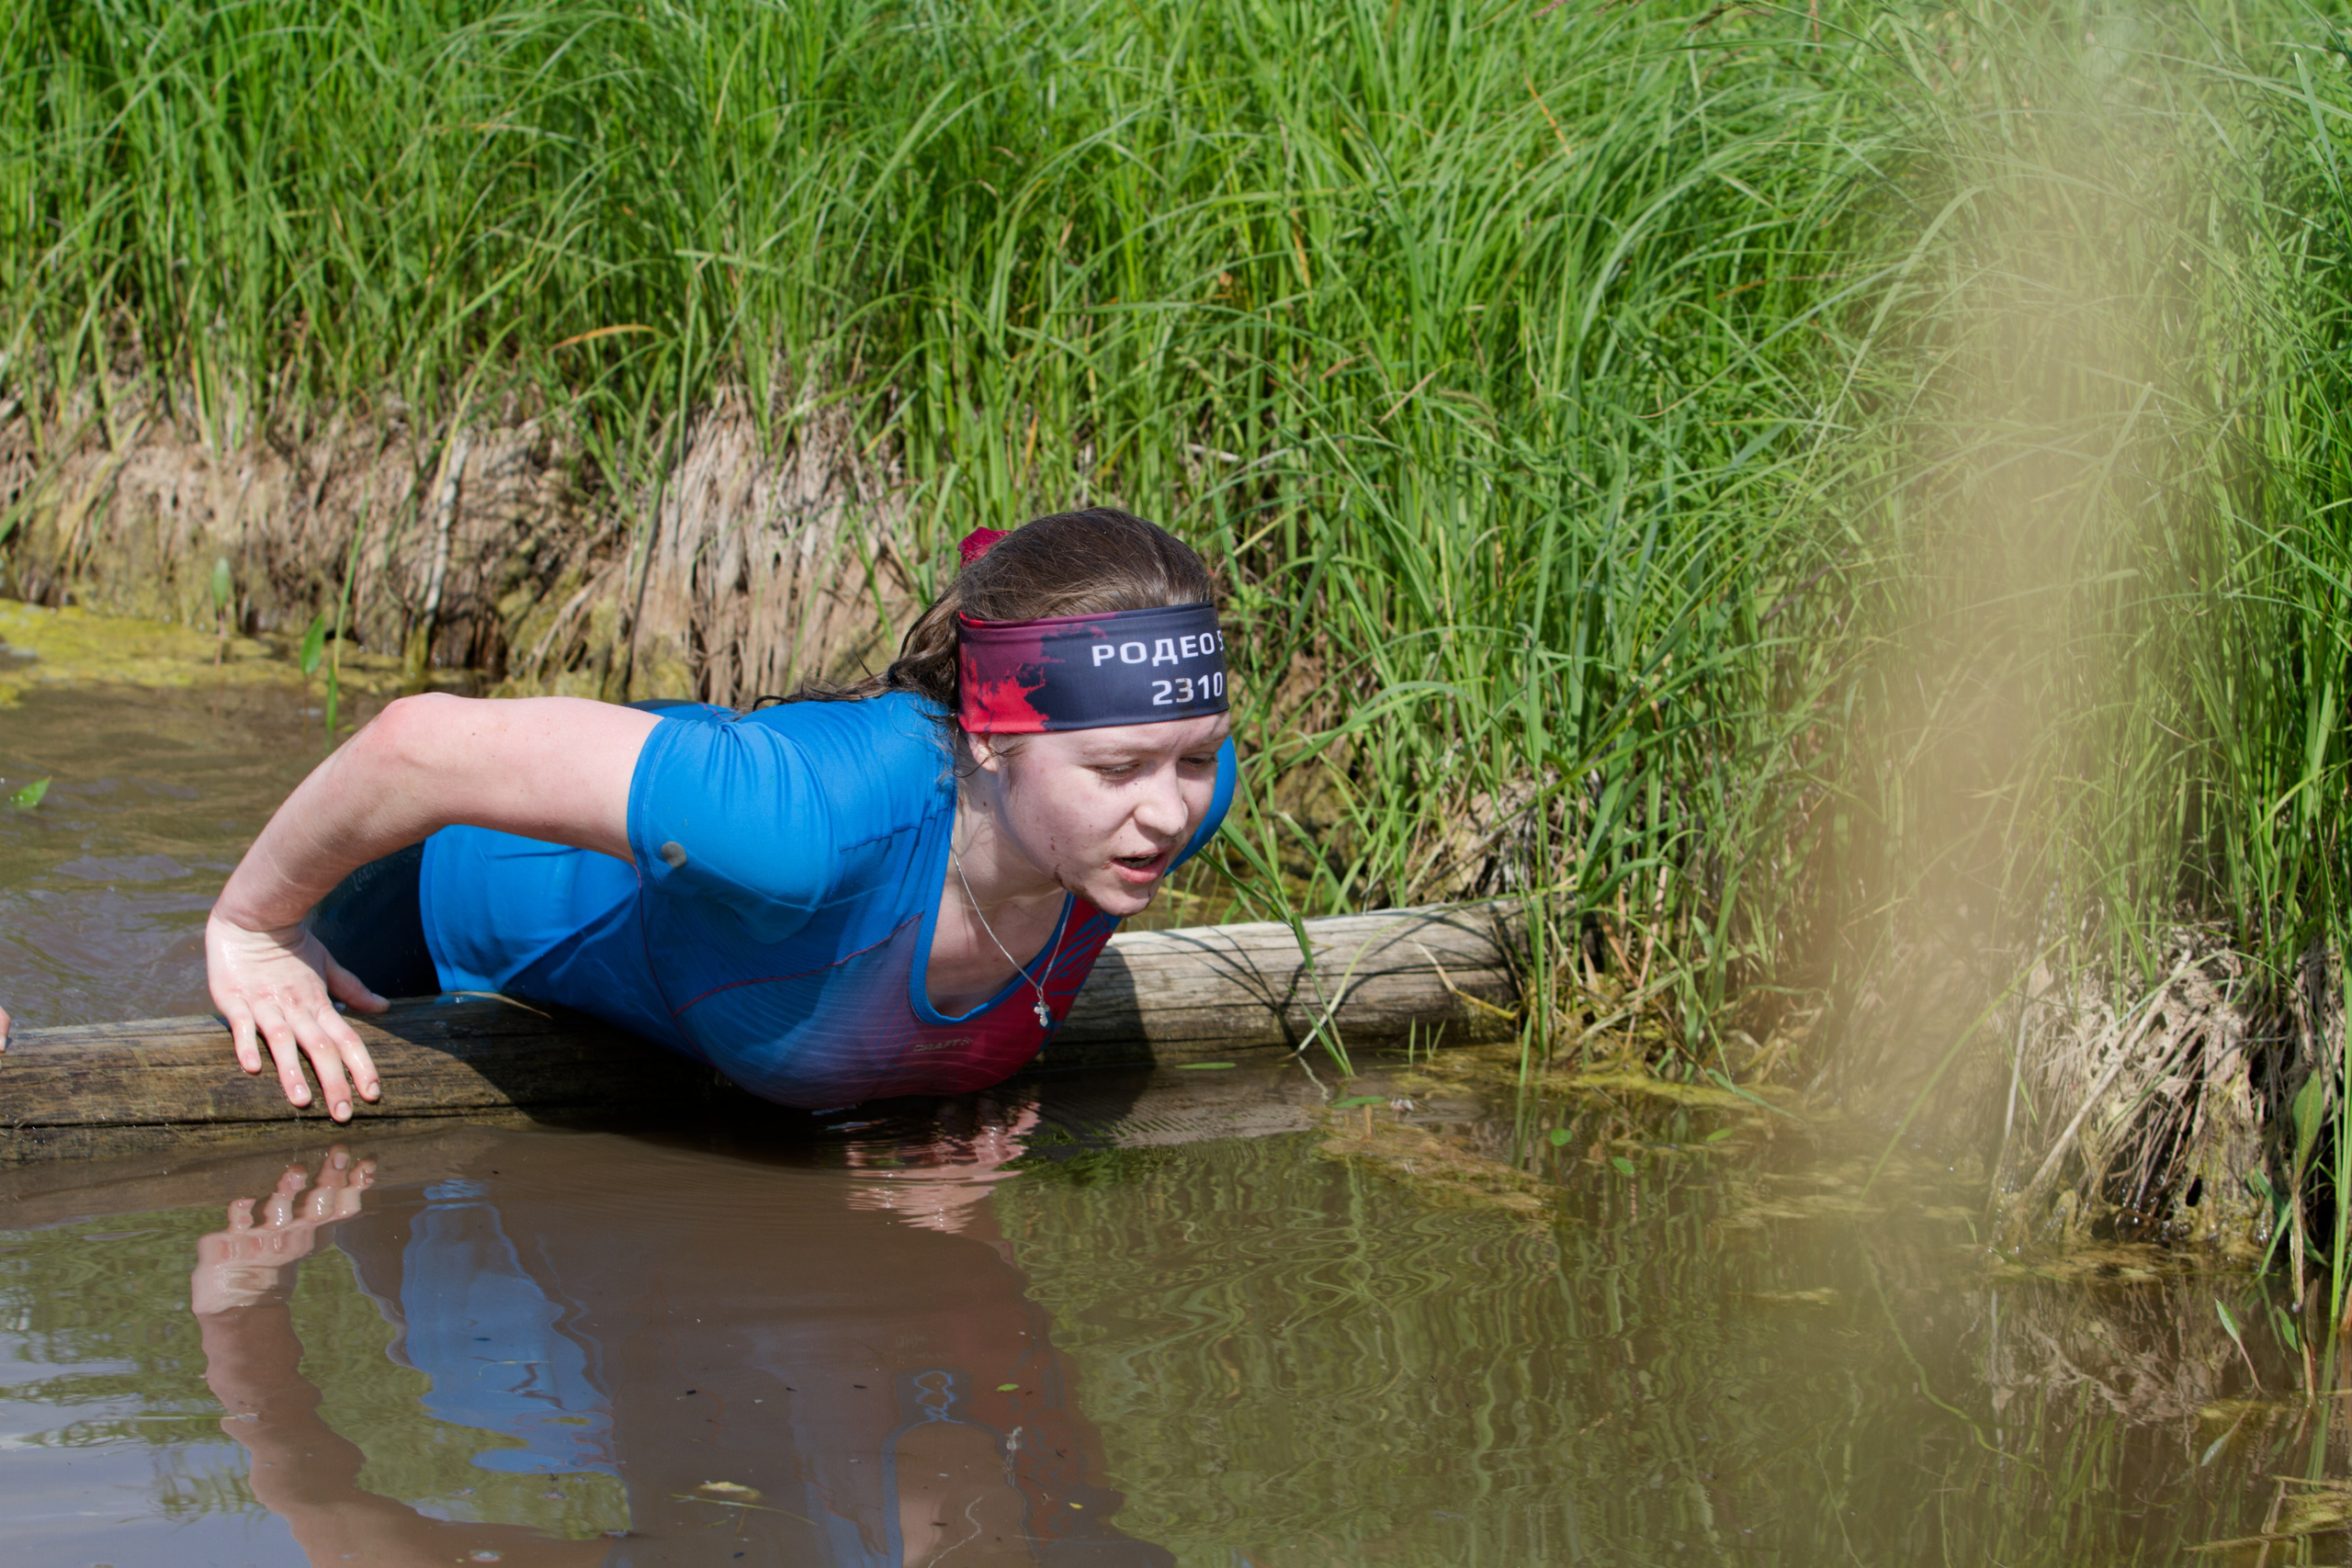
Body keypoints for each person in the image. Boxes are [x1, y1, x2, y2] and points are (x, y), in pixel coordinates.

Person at [200, 508, 1237, 1122]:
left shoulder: (1170, 805)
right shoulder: (801, 830)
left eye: (1194, 756)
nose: (1166, 811)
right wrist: (256, 930)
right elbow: (413, 744)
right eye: (1116, 767)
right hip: (434, 901)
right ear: (987, 736)